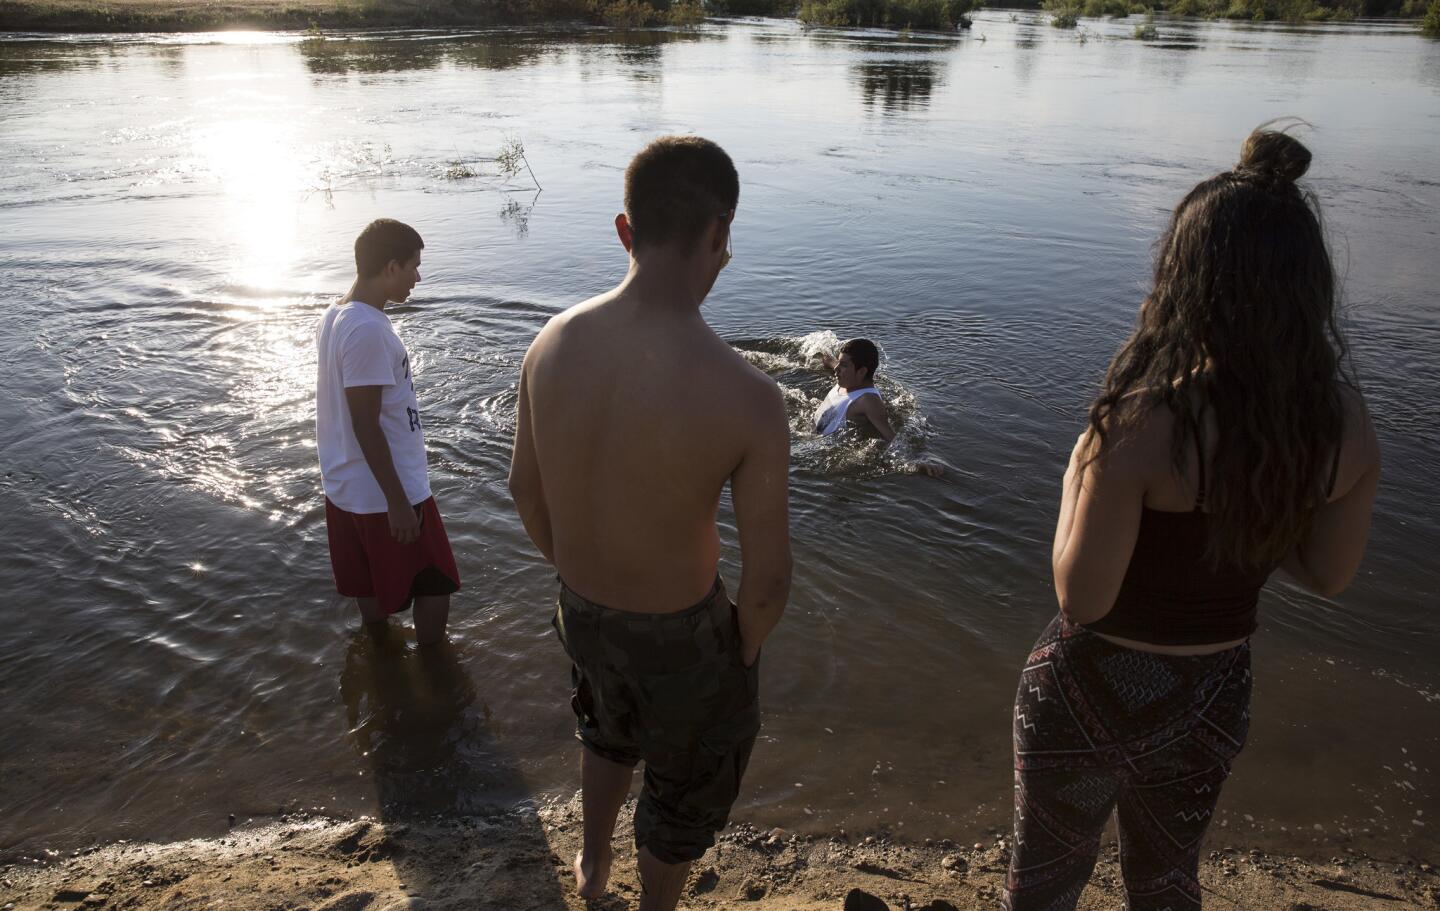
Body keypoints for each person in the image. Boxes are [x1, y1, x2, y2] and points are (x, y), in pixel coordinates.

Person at [1004, 127, 1380, 910]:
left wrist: (1083, 461)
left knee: (1046, 878)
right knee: (1167, 876)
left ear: (1183, 278)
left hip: (1089, 690)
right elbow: (1325, 574)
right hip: (1213, 694)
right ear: (1307, 285)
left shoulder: (1143, 426)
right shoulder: (1344, 427)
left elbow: (1082, 597)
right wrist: (1253, 495)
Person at [507, 136, 792, 911]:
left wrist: (579, 575)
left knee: (606, 728)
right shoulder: (750, 396)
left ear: (624, 230)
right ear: (721, 236)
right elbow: (766, 582)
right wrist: (742, 644)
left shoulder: (549, 344)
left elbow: (522, 489)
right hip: (682, 631)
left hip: (582, 609)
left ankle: (592, 866)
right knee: (688, 779)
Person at [315, 218, 460, 647]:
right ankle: (436, 668)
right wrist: (397, 501)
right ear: (390, 267)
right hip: (386, 490)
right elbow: (365, 421)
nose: (418, 277)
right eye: (413, 266)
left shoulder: (336, 314)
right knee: (435, 580)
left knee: (369, 583)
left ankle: (381, 666)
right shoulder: (368, 329)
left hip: (346, 483)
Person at [815, 338, 944, 476]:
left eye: (844, 365)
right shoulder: (847, 380)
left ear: (861, 372)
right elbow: (835, 365)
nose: (837, 369)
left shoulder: (868, 400)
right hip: (813, 436)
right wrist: (827, 360)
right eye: (839, 363)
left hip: (822, 448)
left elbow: (891, 437)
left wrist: (916, 460)